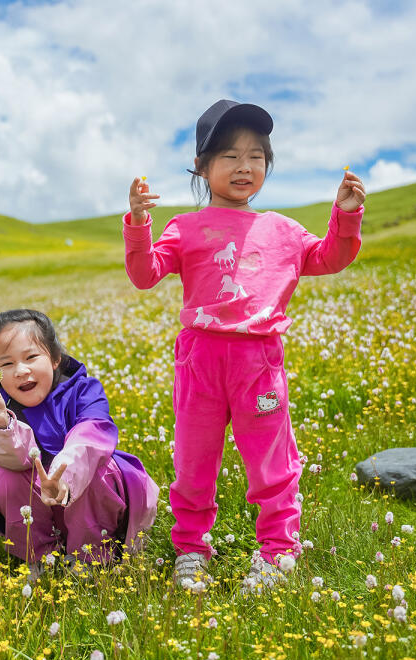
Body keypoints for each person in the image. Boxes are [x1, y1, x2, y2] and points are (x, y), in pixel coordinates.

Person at [123, 99, 365, 592]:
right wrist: (138, 224)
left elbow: (330, 257)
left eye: (256, 155)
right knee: (193, 462)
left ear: (267, 166)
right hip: (200, 360)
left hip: (258, 361)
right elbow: (145, 275)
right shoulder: (184, 228)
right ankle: (191, 550)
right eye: (230, 156)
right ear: (202, 166)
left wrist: (346, 214)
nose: (244, 166)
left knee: (272, 462)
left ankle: (278, 553)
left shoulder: (282, 230)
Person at [0, 309, 159, 579]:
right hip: (49, 513)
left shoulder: (84, 390)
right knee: (5, 476)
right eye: (7, 364)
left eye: (31, 357)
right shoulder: (4, 408)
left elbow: (91, 435)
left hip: (96, 507)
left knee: (99, 469)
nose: (21, 371)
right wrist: (0, 423)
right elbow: (15, 460)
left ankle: (91, 558)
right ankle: (43, 557)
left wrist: (64, 475)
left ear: (55, 359)